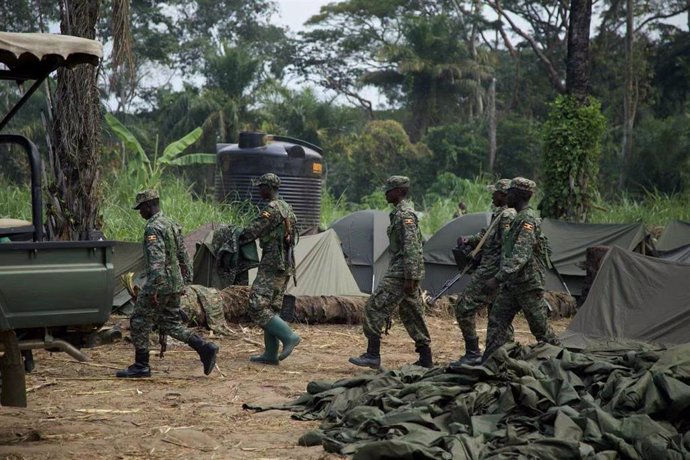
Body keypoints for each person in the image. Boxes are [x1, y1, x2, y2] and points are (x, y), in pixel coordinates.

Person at [117, 190, 219, 378]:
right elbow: (184, 256)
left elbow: (157, 261)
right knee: (170, 323)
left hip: (160, 284)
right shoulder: (172, 224)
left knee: (139, 320)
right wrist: (184, 284)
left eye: (141, 209)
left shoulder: (153, 228)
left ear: (148, 206)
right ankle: (204, 348)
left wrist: (154, 289)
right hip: (174, 283)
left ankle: (141, 365)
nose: (140, 213)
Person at [349, 176, 433, 369]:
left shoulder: (404, 215)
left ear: (399, 191)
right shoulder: (399, 213)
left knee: (373, 307)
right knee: (412, 313)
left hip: (403, 271)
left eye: (389, 189)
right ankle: (426, 359)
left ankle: (372, 355)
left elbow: (412, 246)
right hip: (404, 269)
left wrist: (410, 277)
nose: (385, 193)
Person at [481, 178, 560, 362]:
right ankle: (491, 361)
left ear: (517, 195)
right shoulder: (518, 218)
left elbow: (520, 255)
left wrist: (496, 279)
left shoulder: (527, 220)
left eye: (509, 192)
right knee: (497, 321)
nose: (506, 195)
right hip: (514, 283)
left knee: (540, 328)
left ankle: (562, 359)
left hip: (528, 284)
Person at [450, 179, 515, 366]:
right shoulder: (500, 214)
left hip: (491, 272)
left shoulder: (507, 217)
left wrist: (499, 277)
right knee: (497, 316)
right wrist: (468, 240)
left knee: (463, 308)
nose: (491, 195)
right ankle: (500, 355)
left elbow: (508, 248)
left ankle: (472, 353)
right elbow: (487, 237)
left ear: (503, 195)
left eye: (495, 192)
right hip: (493, 272)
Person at [238, 173, 301, 365]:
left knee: (256, 306)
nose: (259, 190)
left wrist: (237, 236)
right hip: (285, 266)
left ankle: (289, 336)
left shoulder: (272, 209)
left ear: (269, 187)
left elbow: (252, 231)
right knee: (272, 308)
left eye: (261, 187)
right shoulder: (287, 208)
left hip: (272, 265)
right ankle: (271, 354)